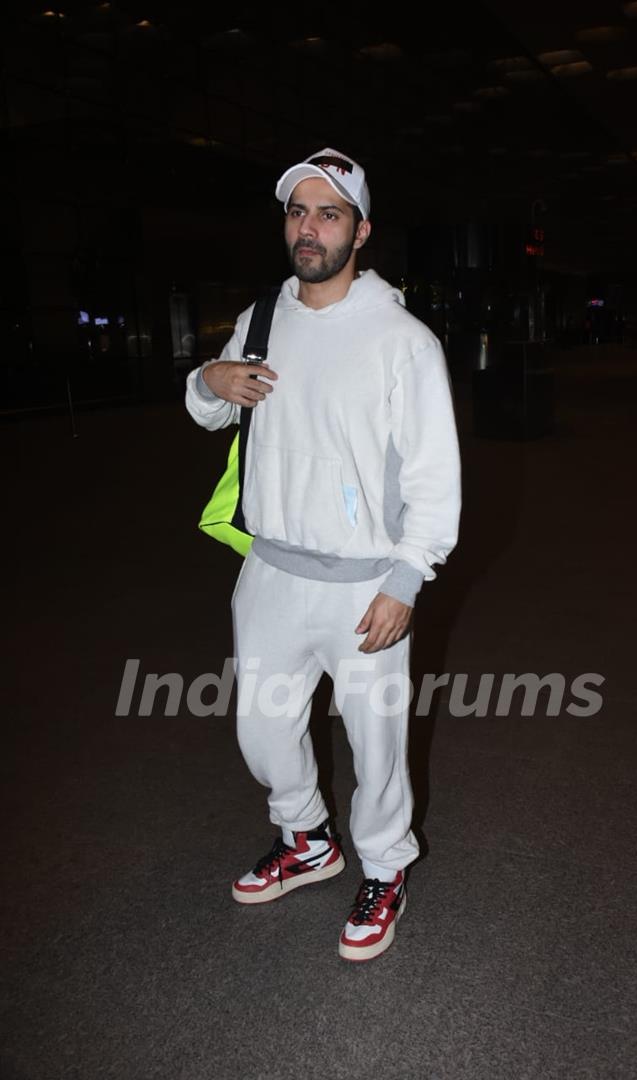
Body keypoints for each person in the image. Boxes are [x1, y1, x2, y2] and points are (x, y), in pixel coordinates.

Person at [185, 148, 461, 962]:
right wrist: (210, 379)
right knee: (262, 733)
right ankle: (307, 840)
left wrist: (407, 576)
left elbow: (434, 476)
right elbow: (207, 413)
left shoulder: (401, 340)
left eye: (329, 214)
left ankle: (384, 867)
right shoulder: (262, 318)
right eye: (298, 212)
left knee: (376, 745)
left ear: (361, 230)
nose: (310, 229)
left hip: (365, 583)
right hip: (269, 569)